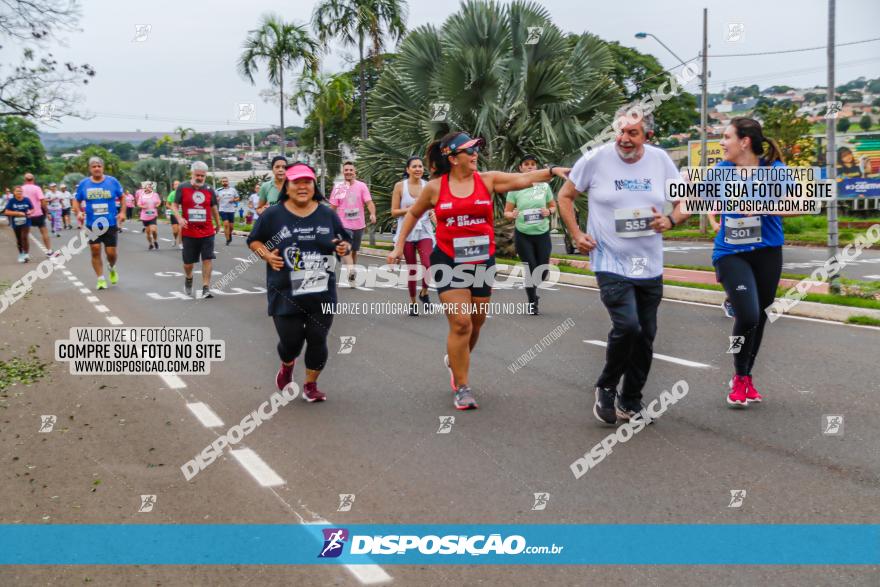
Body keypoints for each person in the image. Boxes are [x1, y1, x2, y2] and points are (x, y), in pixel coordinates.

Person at [388, 131, 570, 410]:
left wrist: (554, 170)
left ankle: (455, 357)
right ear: (452, 156)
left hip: (482, 261)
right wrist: (399, 246)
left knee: (476, 323)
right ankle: (462, 386)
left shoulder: (487, 180)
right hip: (448, 260)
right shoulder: (436, 188)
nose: (475, 155)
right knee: (461, 323)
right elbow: (413, 214)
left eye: (475, 150)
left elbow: (524, 179)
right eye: (469, 150)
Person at [558, 107, 686, 425]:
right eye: (620, 131)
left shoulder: (660, 161)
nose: (624, 139)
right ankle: (606, 386)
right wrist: (576, 234)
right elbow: (565, 196)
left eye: (633, 133)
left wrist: (670, 219)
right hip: (609, 259)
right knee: (628, 325)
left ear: (647, 136)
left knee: (646, 335)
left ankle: (630, 400)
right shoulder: (596, 158)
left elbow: (686, 202)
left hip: (649, 263)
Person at [247, 162, 352, 403]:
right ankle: (287, 365)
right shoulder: (273, 215)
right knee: (291, 342)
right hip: (284, 290)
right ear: (287, 186)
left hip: (321, 290)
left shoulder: (328, 214)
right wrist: (266, 254)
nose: (302, 186)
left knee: (318, 338)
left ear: (314, 185)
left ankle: (310, 385)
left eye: (307, 181)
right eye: (297, 182)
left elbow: (343, 240)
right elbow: (254, 240)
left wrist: (342, 246)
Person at [710, 117, 790, 408]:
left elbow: (798, 204)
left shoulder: (774, 170)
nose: (722, 143)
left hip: (767, 251)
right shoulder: (721, 171)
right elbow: (698, 200)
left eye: (726, 137)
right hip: (730, 252)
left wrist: (760, 206)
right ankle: (739, 375)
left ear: (744, 141)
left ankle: (746, 376)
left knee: (761, 316)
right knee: (747, 315)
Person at [503, 154, 556, 315]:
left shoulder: (544, 186)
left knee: (543, 270)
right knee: (530, 267)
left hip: (542, 233)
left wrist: (549, 211)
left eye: (533, 164)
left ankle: (534, 290)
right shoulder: (515, 187)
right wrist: (512, 215)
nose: (530, 167)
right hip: (523, 234)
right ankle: (532, 301)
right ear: (521, 168)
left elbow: (553, 206)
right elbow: (507, 211)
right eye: (526, 164)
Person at [72, 157, 126, 290]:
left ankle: (112, 267)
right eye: (94, 166)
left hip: (110, 223)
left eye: (99, 166)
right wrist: (78, 212)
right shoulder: (84, 184)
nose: (97, 168)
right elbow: (76, 200)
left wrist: (123, 212)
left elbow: (122, 197)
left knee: (111, 253)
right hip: (92, 224)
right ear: (90, 169)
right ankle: (100, 279)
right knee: (95, 250)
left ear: (103, 168)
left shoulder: (112, 182)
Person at [391, 156, 435, 315]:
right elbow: (394, 212)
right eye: (414, 166)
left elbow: (433, 206)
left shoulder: (428, 186)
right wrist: (410, 210)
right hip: (407, 232)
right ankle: (413, 303)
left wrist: (432, 213)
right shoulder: (399, 186)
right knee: (412, 270)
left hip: (424, 231)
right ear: (407, 169)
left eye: (420, 166)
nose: (418, 169)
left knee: (428, 265)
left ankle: (424, 292)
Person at [172, 162, 221, 298]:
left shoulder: (209, 189)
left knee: (207, 259)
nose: (199, 178)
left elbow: (214, 209)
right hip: (189, 232)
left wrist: (218, 224)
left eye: (202, 176)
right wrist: (179, 219)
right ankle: (189, 277)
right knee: (188, 263)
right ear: (192, 174)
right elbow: (174, 206)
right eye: (197, 175)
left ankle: (206, 287)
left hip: (207, 231)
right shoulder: (183, 187)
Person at [329, 161, 376, 283]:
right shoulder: (338, 188)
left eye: (351, 170)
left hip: (359, 224)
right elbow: (333, 207)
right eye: (346, 170)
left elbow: (369, 202)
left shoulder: (361, 186)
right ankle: (351, 271)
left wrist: (372, 213)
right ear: (343, 172)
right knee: (347, 248)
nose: (348, 172)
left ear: (355, 172)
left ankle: (352, 271)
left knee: (354, 250)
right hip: (344, 225)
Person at [708, 212, 735, 319]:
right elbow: (711, 212)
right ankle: (730, 302)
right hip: (728, 242)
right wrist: (714, 224)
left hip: (754, 242)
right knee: (735, 277)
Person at [21, 173, 53, 256]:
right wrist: (47, 212)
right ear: (33, 179)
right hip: (38, 213)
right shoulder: (37, 188)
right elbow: (42, 201)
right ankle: (49, 250)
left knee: (25, 235)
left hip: (26, 214)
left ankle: (26, 254)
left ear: (24, 180)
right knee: (44, 232)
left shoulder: (21, 189)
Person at [3, 186, 34, 263]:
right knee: (19, 239)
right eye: (17, 191)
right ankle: (21, 254)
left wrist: (30, 212)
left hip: (26, 221)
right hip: (16, 223)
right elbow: (6, 212)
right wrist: (17, 213)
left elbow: (32, 208)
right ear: (14, 192)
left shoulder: (27, 200)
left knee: (24, 237)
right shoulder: (11, 201)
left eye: (20, 191)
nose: (19, 193)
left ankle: (26, 254)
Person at [216, 176, 240, 245]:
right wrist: (216, 199)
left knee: (231, 227)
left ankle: (229, 235)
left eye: (226, 181)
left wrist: (234, 200)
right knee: (226, 224)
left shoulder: (233, 190)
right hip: (222, 209)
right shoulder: (218, 190)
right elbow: (213, 199)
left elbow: (238, 198)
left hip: (231, 210)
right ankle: (227, 240)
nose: (224, 182)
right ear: (221, 182)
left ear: (228, 182)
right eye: (223, 181)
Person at [137, 182, 161, 250]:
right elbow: (138, 204)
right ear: (145, 188)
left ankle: (155, 241)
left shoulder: (155, 195)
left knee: (154, 230)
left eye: (150, 187)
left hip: (153, 215)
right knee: (148, 232)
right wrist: (143, 206)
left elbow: (159, 202)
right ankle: (150, 244)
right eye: (148, 187)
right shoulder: (142, 195)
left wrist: (157, 205)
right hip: (145, 216)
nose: (149, 188)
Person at [165, 180, 182, 249]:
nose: (177, 186)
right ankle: (175, 239)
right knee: (175, 231)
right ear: (173, 186)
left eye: (178, 184)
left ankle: (180, 243)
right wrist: (173, 208)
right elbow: (167, 204)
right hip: (174, 214)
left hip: (182, 214)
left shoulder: (184, 193)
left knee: (181, 229)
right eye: (175, 184)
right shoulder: (172, 194)